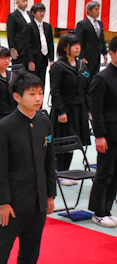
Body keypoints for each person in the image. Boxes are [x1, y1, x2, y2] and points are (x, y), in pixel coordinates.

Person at [0, 71, 55, 264]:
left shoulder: (44, 122)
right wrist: (3, 202)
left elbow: (49, 161)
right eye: (32, 94)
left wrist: (50, 194)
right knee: (1, 250)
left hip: (37, 200)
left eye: (40, 93)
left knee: (30, 250)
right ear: (17, 96)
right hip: (13, 202)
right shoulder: (5, 127)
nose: (38, 98)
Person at [49, 32, 90, 179]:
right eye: (74, 45)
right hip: (64, 110)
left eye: (79, 45)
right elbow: (55, 91)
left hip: (79, 109)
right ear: (65, 48)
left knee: (73, 142)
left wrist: (88, 109)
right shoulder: (58, 67)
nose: (78, 48)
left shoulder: (83, 66)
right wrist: (61, 111)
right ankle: (60, 173)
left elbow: (87, 89)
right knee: (62, 142)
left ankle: (66, 173)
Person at [88, 36, 117, 228]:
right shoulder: (101, 78)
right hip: (107, 133)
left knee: (115, 174)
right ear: (111, 53)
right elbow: (96, 109)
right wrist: (99, 135)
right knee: (104, 173)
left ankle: (107, 209)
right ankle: (98, 211)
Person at [75, 0, 109, 81]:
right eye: (96, 9)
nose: (98, 12)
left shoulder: (100, 24)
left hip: (97, 57)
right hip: (87, 57)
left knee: (95, 77)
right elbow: (79, 41)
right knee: (86, 77)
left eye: (98, 9)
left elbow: (102, 39)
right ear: (89, 11)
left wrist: (104, 53)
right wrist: (81, 56)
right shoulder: (82, 24)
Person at [24, 3, 55, 88]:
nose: (42, 13)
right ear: (33, 13)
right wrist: (30, 60)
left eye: (43, 11)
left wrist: (52, 59)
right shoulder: (29, 26)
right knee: (32, 81)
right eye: (40, 11)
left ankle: (41, 96)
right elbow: (27, 45)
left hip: (44, 58)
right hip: (34, 58)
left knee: (42, 81)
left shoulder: (47, 26)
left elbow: (50, 44)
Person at [7, 0, 33, 66]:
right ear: (17, 3)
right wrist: (12, 48)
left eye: (26, 1)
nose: (25, 3)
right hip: (20, 49)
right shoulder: (13, 16)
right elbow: (10, 33)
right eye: (23, 1)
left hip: (30, 47)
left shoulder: (30, 14)